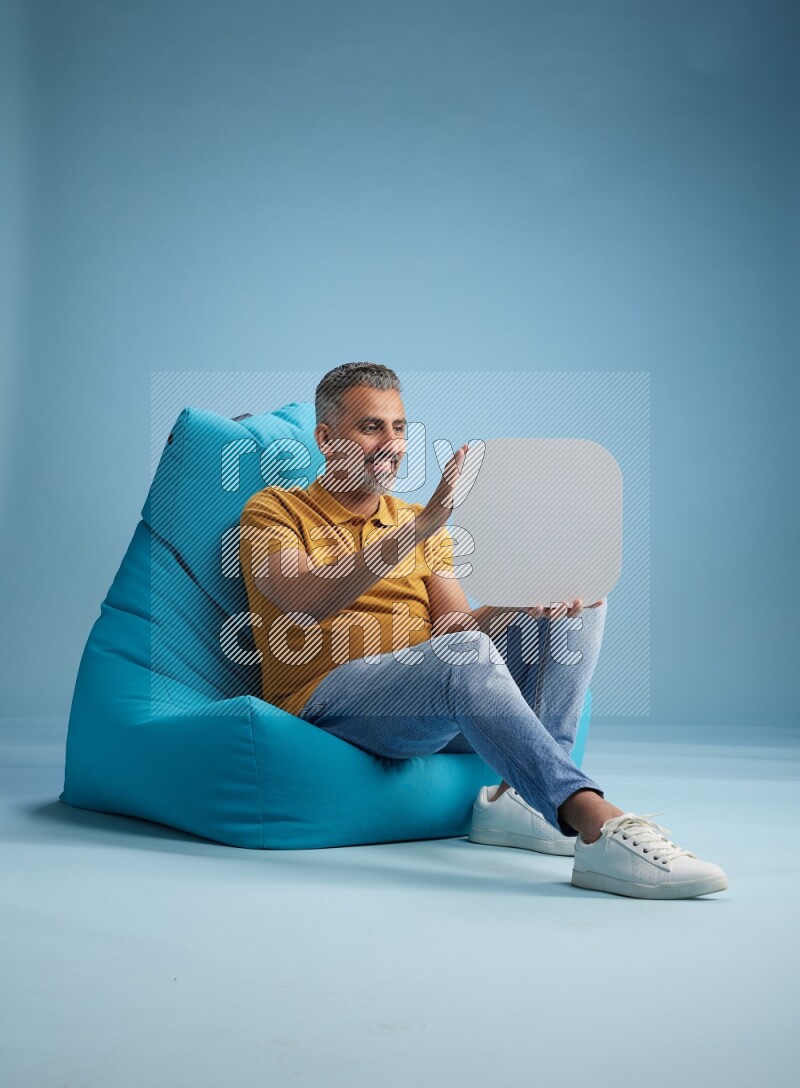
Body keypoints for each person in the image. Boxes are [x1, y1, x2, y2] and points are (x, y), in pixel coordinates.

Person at [239, 362, 728, 900]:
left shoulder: (417, 524)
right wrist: (423, 526)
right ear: (327, 439)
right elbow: (310, 598)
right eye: (371, 427)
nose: (392, 443)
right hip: (330, 702)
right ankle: (592, 820)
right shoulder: (274, 509)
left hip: (429, 699)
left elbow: (454, 627)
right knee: (461, 656)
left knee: (583, 600)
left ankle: (520, 800)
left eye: (399, 428)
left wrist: (519, 607)